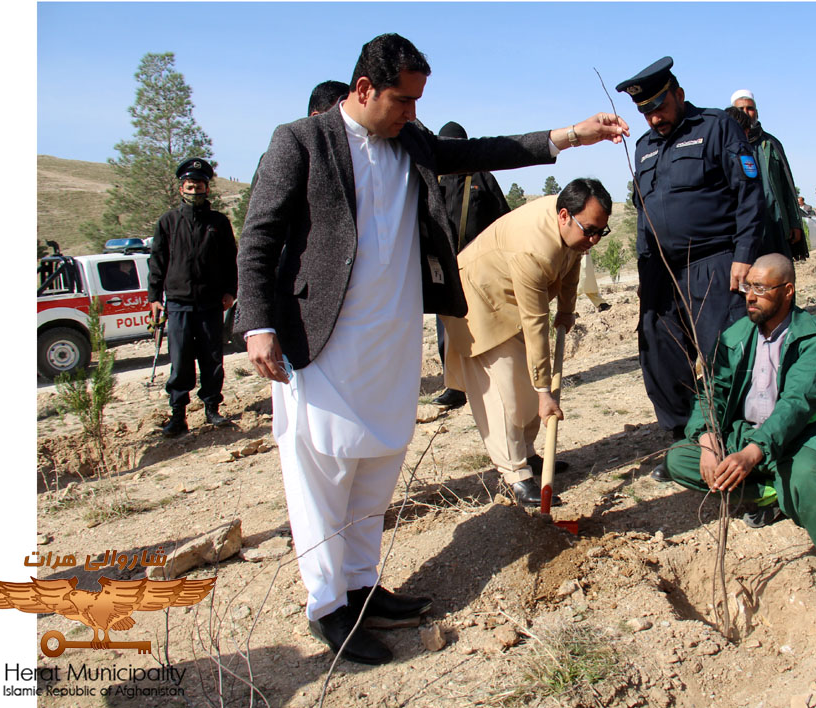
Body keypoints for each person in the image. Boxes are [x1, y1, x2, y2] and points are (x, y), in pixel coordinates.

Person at [236, 32, 629, 666]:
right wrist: (257, 322)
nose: (413, 113)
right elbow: (259, 234)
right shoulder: (301, 142)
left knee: (378, 459)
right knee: (323, 470)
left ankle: (363, 585)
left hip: (390, 335)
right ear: (364, 90)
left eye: (419, 101)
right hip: (321, 338)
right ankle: (328, 605)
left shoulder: (410, 142)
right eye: (402, 100)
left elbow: (486, 149)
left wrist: (569, 136)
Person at [661, 254, 816, 603]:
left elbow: (796, 405)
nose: (750, 296)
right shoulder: (735, 336)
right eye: (748, 287)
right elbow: (713, 394)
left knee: (807, 477)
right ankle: (771, 490)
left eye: (761, 289)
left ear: (788, 291)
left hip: (806, 433)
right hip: (749, 433)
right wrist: (707, 440)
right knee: (682, 459)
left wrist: (752, 453)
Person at [616, 57, 765, 477]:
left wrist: (744, 253)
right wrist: (647, 272)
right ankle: (688, 443)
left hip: (715, 263)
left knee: (725, 356)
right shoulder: (645, 146)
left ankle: (738, 449)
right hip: (661, 272)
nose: (654, 116)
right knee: (660, 357)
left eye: (660, 106)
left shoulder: (717, 127)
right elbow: (644, 211)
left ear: (678, 94)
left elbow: (749, 194)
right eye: (645, 111)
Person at [441, 179, 612, 505]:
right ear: (564, 215)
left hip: (510, 295)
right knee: (503, 392)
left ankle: (531, 454)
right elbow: (536, 325)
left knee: (525, 385)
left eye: (600, 232)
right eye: (589, 230)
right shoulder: (534, 248)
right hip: (477, 299)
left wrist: (566, 310)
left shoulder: (572, 233)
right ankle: (516, 475)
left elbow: (573, 264)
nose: (592, 240)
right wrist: (545, 392)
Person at [148, 157, 238, 438]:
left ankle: (212, 408)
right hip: (178, 304)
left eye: (199, 186)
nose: (194, 191)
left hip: (211, 303)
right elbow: (157, 262)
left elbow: (230, 260)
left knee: (212, 359)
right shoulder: (168, 222)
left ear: (207, 189)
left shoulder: (219, 223)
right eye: (189, 186)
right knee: (181, 360)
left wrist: (230, 291)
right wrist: (154, 297)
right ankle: (178, 415)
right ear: (181, 189)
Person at [431, 120, 513, 410]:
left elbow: (504, 219)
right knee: (447, 330)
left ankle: (489, 383)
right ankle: (455, 387)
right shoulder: (432, 177)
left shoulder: (482, 177)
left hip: (480, 268)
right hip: (443, 266)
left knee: (485, 325)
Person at [731, 89, 809, 261]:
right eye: (741, 109)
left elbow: (787, 185)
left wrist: (795, 223)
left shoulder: (771, 143)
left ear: (756, 112)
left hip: (776, 222)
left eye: (749, 108)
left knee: (779, 274)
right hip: (745, 226)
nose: (746, 113)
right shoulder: (726, 145)